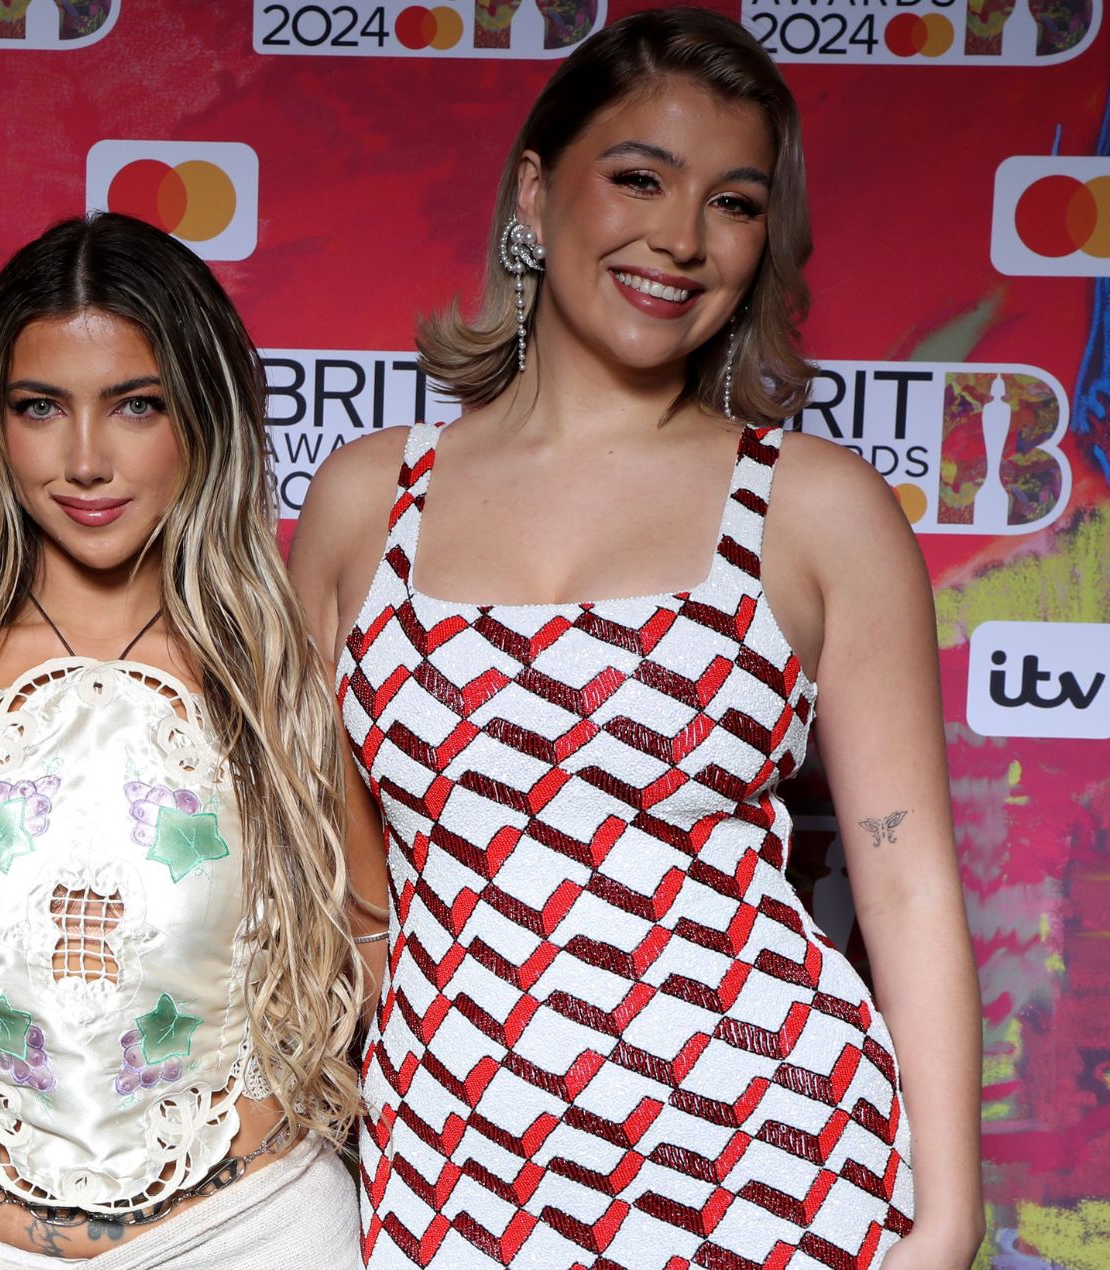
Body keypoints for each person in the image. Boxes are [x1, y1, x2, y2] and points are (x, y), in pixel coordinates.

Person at [289, 10, 983, 1268]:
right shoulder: (363, 498)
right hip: (453, 1166)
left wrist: (944, 1224)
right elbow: (335, 889)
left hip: (767, 1165)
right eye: (637, 179)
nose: (678, 237)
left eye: (732, 202)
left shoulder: (812, 506)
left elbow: (905, 880)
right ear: (534, 190)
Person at [0, 212, 389, 1268]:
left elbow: (371, 955)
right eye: (39, 407)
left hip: (251, 1233)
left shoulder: (288, 685)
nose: (85, 459)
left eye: (136, 405)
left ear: (203, 417)